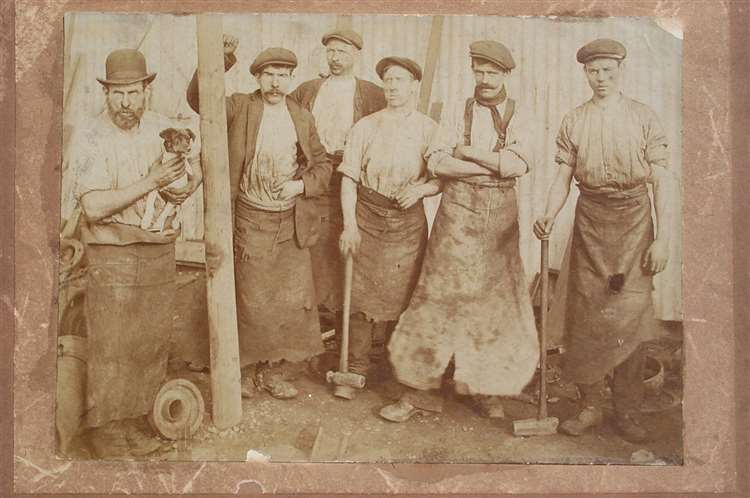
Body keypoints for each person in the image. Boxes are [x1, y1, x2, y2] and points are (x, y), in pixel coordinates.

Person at [380, 41, 539, 422]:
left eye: (492, 73)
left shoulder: (523, 113)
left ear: (506, 75)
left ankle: (482, 389)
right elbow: (437, 161)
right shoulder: (456, 109)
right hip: (456, 218)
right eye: (479, 72)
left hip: (500, 222)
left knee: (492, 306)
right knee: (436, 299)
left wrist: (466, 153)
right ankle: (417, 390)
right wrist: (489, 165)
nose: (484, 80)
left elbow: (518, 165)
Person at [533, 38, 673, 442]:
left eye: (608, 70)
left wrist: (662, 240)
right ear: (585, 74)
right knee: (586, 317)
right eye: (594, 71)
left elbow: (662, 180)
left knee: (630, 317)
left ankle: (627, 411)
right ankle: (591, 404)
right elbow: (563, 176)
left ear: (621, 70)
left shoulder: (644, 118)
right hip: (590, 222)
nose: (601, 78)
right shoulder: (574, 120)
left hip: (634, 223)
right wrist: (548, 212)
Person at [187, 36, 332, 400]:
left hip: (289, 222)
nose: (276, 82)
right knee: (250, 300)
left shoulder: (301, 116)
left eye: (283, 75)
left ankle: (274, 371)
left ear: (291, 79)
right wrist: (220, 57)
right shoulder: (239, 107)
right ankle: (245, 372)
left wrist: (300, 188)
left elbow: (324, 164)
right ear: (257, 78)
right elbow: (199, 101)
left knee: (286, 301)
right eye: (269, 74)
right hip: (251, 219)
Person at [74, 49, 203, 457]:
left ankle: (132, 422)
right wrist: (151, 181)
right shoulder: (90, 135)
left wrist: (189, 181)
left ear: (147, 90)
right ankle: (104, 432)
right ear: (106, 93)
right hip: (111, 252)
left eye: (133, 92)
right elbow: (93, 206)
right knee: (112, 345)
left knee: (148, 342)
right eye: (117, 94)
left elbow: (186, 179)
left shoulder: (163, 128)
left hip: (157, 251)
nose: (126, 102)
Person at [335, 57, 439, 399]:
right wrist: (350, 225)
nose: (393, 87)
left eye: (400, 80)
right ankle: (355, 369)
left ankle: (399, 375)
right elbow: (349, 178)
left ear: (414, 86)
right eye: (388, 81)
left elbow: (441, 178)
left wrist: (421, 189)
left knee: (404, 297)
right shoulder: (365, 126)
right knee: (359, 297)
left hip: (408, 225)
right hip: (367, 214)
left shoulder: (428, 128)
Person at [289, 29, 386, 321]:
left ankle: (347, 313)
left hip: (351, 174)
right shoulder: (308, 89)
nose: (335, 58)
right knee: (313, 238)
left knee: (348, 235)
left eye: (342, 52)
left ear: (356, 55)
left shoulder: (372, 93)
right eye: (330, 51)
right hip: (315, 170)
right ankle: (315, 313)